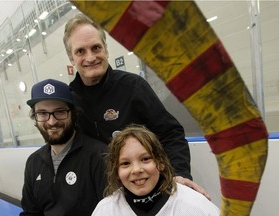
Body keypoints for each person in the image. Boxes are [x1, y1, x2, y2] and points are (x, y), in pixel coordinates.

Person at [63, 13, 210, 199]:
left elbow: (170, 134)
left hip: (143, 192)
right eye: (80, 51)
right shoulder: (69, 101)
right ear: (71, 58)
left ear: (106, 50)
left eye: (96, 48)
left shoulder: (133, 87)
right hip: (99, 196)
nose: (90, 57)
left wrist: (179, 174)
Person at [20, 79, 106, 216]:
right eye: (42, 113)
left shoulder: (99, 156)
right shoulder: (33, 162)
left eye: (59, 112)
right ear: (35, 117)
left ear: (73, 114)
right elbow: (30, 212)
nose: (51, 121)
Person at [92, 124, 220, 216]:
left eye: (145, 159)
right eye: (125, 163)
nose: (136, 170)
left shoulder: (195, 206)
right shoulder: (106, 210)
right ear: (116, 172)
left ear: (160, 162)